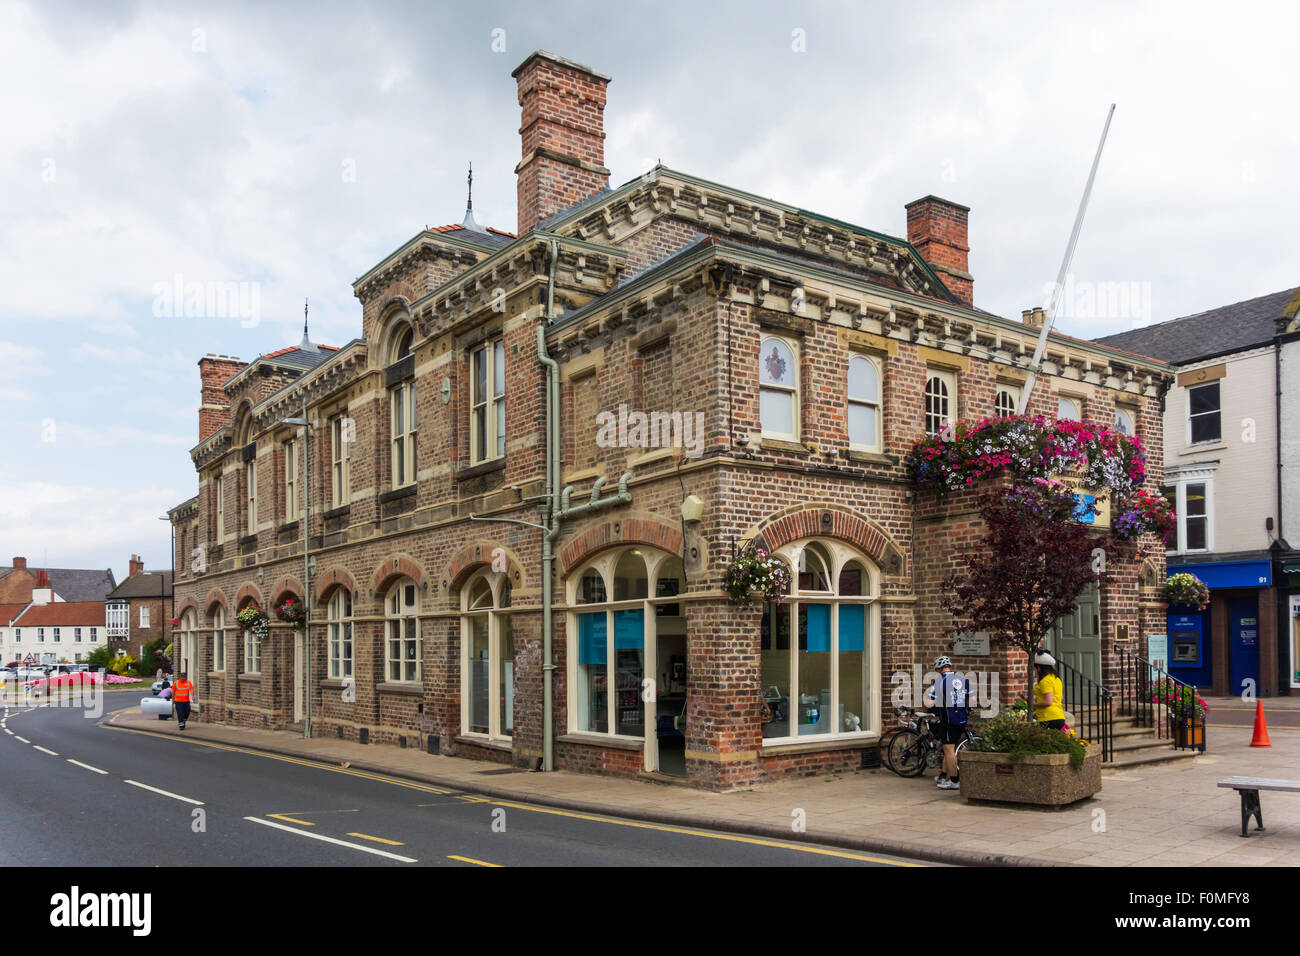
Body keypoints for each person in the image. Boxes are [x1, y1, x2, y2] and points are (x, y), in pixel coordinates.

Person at [925, 655, 969, 791]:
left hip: (948, 720)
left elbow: (928, 702)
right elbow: (969, 698)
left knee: (949, 750)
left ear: (939, 669)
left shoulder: (939, 682)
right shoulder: (963, 680)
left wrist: (928, 708)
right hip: (961, 718)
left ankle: (955, 781)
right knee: (948, 748)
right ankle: (943, 776)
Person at [1032, 650, 1066, 730]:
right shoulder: (1056, 679)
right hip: (1059, 716)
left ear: (1038, 668)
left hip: (1048, 718)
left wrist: (1033, 704)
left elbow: (1048, 702)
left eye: (1034, 669)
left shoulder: (1045, 681)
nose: (1034, 672)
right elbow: (1060, 698)